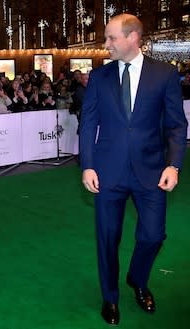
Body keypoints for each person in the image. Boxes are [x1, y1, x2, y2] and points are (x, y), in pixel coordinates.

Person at [79, 14, 188, 325]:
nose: (106, 44)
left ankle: (137, 279)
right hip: (107, 172)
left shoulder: (165, 74)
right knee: (107, 238)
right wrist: (87, 165)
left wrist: (174, 164)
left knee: (153, 235)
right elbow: (88, 125)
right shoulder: (99, 77)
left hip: (152, 172)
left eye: (111, 38)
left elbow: (177, 126)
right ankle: (110, 297)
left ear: (133, 37)